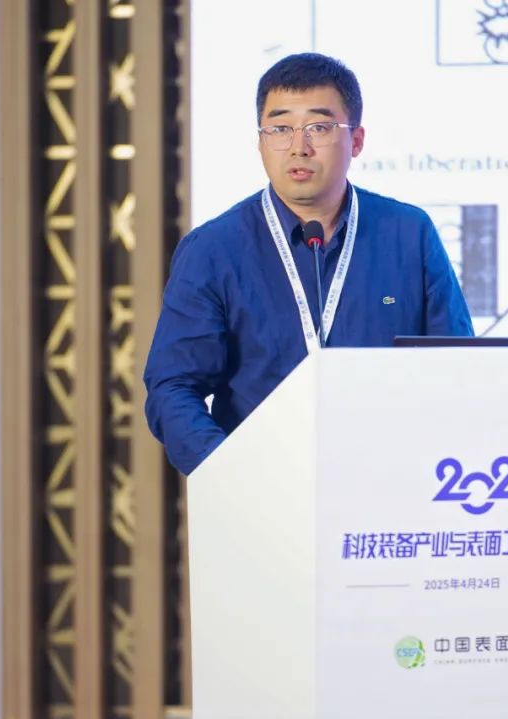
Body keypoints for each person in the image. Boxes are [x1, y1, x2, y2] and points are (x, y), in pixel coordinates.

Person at [144, 53, 473, 475]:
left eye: (319, 127)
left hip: (392, 479)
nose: (299, 147)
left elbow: (457, 364)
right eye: (280, 129)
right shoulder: (212, 249)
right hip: (262, 484)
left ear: (356, 140)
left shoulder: (409, 233)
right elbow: (173, 387)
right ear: (260, 141)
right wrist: (229, 473)